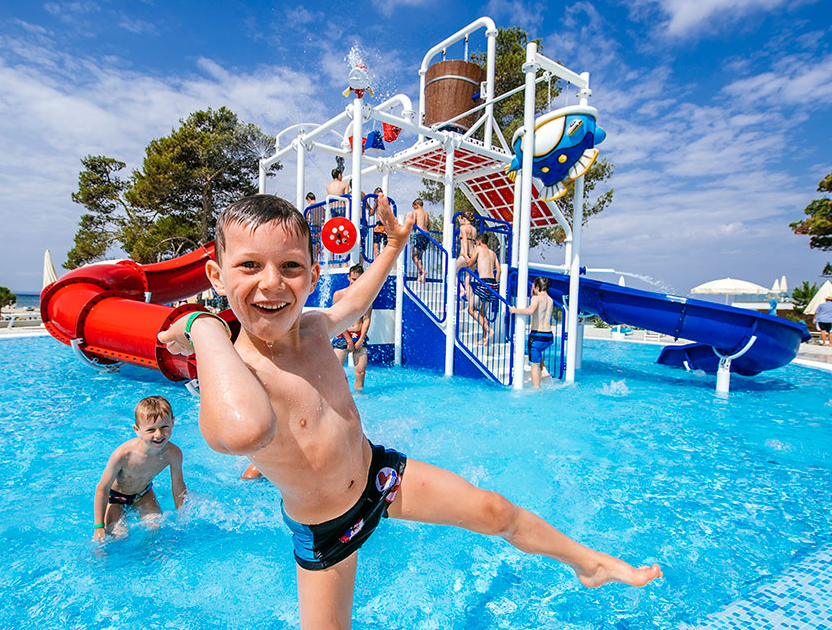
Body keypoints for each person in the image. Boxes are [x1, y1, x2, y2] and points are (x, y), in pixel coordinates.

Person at [157, 194, 661, 629]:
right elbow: (242, 432)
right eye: (249, 266)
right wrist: (203, 326)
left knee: (495, 510)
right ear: (216, 276)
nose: (271, 283)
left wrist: (395, 246)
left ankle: (587, 564)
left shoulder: (313, 329)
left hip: (380, 476)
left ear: (312, 274)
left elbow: (353, 300)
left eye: (290, 266)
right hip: (327, 528)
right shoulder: (234, 366)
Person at [92, 395, 187, 541]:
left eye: (164, 427)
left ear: (172, 423)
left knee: (156, 530)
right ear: (137, 430)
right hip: (116, 498)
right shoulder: (123, 455)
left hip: (144, 495)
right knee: (117, 536)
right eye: (151, 430)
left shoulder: (173, 453)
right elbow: (102, 489)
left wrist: (182, 516)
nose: (159, 435)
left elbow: (178, 487)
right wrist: (99, 527)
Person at [332, 263, 372, 392]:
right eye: (354, 279)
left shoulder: (367, 296)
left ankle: (359, 398)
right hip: (343, 336)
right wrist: (348, 340)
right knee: (336, 372)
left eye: (359, 280)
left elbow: (367, 318)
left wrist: (360, 339)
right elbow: (336, 318)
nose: (356, 282)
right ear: (349, 277)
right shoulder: (339, 295)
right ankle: (338, 397)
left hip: (359, 336)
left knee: (361, 372)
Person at [510, 277, 554, 389]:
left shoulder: (536, 298)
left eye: (533, 286)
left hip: (537, 336)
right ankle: (544, 370)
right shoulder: (550, 300)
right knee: (538, 351)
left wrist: (515, 311)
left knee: (534, 367)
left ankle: (536, 389)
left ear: (537, 287)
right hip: (549, 337)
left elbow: (530, 311)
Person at [459, 233, 501, 345]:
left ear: (478, 242)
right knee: (483, 313)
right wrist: (495, 283)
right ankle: (485, 339)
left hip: (484, 282)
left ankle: (489, 330)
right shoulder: (493, 253)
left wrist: (463, 257)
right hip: (493, 284)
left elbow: (470, 263)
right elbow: (499, 270)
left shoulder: (478, 249)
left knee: (471, 310)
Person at [408, 198, 431, 283]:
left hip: (420, 234)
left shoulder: (416, 212)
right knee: (419, 257)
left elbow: (413, 223)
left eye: (414, 207)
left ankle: (423, 270)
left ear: (416, 205)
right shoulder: (426, 213)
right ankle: (421, 277)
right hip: (426, 235)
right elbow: (428, 225)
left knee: (413, 256)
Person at [369, 187, 387, 258]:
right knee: (384, 244)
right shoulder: (385, 202)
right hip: (384, 225)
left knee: (376, 244)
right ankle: (380, 259)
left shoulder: (377, 203)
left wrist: (374, 204)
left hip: (380, 225)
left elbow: (371, 213)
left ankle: (377, 259)